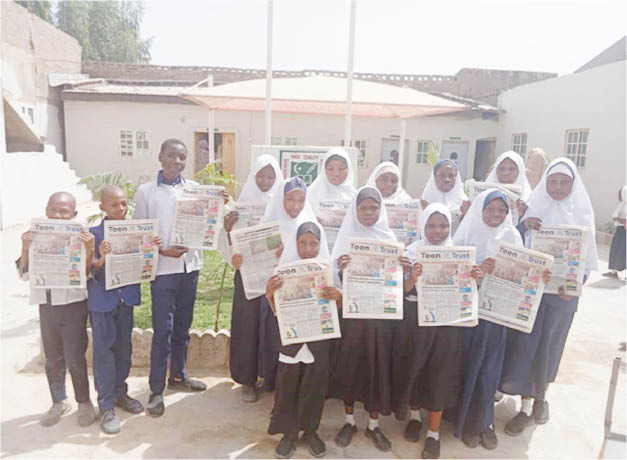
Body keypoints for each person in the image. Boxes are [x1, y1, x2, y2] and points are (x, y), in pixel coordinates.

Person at [500, 158, 598, 436]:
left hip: (562, 297)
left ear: (573, 184)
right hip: (531, 293)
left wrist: (578, 283)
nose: (557, 187)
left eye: (564, 182)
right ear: (545, 183)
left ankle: (541, 397)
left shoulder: (582, 215)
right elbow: (511, 244)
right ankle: (526, 405)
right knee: (526, 346)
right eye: (552, 181)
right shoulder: (533, 208)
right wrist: (523, 225)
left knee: (550, 347)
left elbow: (587, 260)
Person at [449, 189, 550, 449]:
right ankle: (467, 422)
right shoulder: (467, 233)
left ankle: (486, 422)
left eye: (501, 210)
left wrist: (539, 279)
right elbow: (453, 272)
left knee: (490, 370)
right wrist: (478, 271)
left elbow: (523, 274)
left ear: (508, 212)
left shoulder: (512, 235)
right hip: (468, 315)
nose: (496, 215)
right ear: (479, 210)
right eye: (490, 209)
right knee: (466, 367)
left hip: (497, 318)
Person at [392, 203, 484, 459]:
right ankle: (414, 418)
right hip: (416, 323)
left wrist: (475, 279)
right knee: (416, 369)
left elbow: (467, 293)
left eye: (443, 225)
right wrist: (412, 277)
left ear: (450, 227)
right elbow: (403, 290)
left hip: (447, 326)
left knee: (440, 375)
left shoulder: (458, 254)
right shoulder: (411, 252)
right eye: (431, 226)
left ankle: (433, 433)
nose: (437, 231)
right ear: (422, 226)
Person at [134, 139, 208, 417]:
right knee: (162, 331)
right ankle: (156, 390)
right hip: (163, 271)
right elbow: (141, 232)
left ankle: (178, 375)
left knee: (182, 327)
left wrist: (219, 202)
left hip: (190, 268)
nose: (177, 161)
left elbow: (206, 223)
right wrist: (163, 250)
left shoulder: (196, 190)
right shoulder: (145, 192)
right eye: (171, 156)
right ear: (160, 157)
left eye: (182, 157)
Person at [16, 192, 98, 428]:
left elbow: (86, 276)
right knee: (53, 358)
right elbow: (24, 274)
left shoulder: (82, 237)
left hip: (73, 305)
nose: (57, 215)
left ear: (74, 214)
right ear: (46, 210)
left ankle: (84, 402)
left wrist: (90, 250)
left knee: (75, 357)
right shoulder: (36, 236)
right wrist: (25, 246)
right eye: (53, 210)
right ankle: (59, 401)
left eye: (64, 211)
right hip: (47, 304)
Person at [329, 186, 401, 452]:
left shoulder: (388, 237)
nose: (369, 213)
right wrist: (340, 267)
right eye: (364, 208)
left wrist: (401, 268)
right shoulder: (346, 238)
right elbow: (333, 279)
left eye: (374, 207)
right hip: (353, 316)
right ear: (355, 210)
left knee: (377, 368)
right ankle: (349, 421)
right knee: (351, 366)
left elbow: (396, 281)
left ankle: (374, 424)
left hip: (380, 318)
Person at [87, 185, 162, 434]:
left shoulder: (136, 231)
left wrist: (152, 247)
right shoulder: (93, 235)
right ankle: (106, 405)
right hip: (102, 302)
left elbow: (144, 264)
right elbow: (86, 273)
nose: (120, 209)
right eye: (114, 204)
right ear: (102, 207)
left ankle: (121, 394)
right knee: (103, 354)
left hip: (125, 300)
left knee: (123, 351)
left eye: (123, 204)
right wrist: (100, 259)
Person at [265, 221, 341, 458]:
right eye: (302, 243)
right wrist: (269, 293)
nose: (308, 248)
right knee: (288, 385)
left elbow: (338, 308)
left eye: (314, 243)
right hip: (293, 340)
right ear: (294, 244)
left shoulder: (328, 271)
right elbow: (277, 310)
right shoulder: (282, 271)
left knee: (315, 386)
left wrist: (338, 296)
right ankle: (289, 434)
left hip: (319, 340)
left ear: (321, 244)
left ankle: (310, 431)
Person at [223, 154, 283, 402]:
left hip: (273, 274)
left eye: (271, 175)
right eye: (261, 175)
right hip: (247, 274)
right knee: (247, 325)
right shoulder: (240, 205)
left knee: (272, 326)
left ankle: (270, 377)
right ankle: (247, 379)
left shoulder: (282, 204)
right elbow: (231, 245)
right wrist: (228, 231)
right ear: (253, 176)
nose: (266, 180)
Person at [251, 176, 318, 392]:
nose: (295, 206)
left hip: (302, 297)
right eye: (290, 199)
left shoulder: (309, 224)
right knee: (273, 337)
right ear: (281, 199)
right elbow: (253, 262)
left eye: (301, 200)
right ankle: (271, 381)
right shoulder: (268, 226)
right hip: (274, 294)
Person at [307, 147, 356, 250]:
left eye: (341, 169)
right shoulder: (311, 194)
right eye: (330, 169)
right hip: (317, 250)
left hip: (345, 250)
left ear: (349, 169)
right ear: (324, 170)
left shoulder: (355, 196)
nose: (336, 173)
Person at [421, 159, 470, 233]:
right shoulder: (424, 202)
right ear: (434, 177)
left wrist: (465, 215)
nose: (447, 179)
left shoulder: (465, 203)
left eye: (451, 176)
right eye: (442, 175)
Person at [484, 151, 533, 221]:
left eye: (511, 169)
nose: (505, 173)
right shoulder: (483, 196)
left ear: (519, 172)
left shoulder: (529, 201)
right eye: (501, 169)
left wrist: (521, 216)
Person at [604, 185, 626, 280]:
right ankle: (614, 272)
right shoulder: (622, 205)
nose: (619, 196)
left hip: (622, 231)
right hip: (621, 230)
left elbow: (616, 217)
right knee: (618, 251)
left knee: (620, 251)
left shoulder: (623, 206)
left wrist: (622, 220)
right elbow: (614, 217)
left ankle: (614, 272)